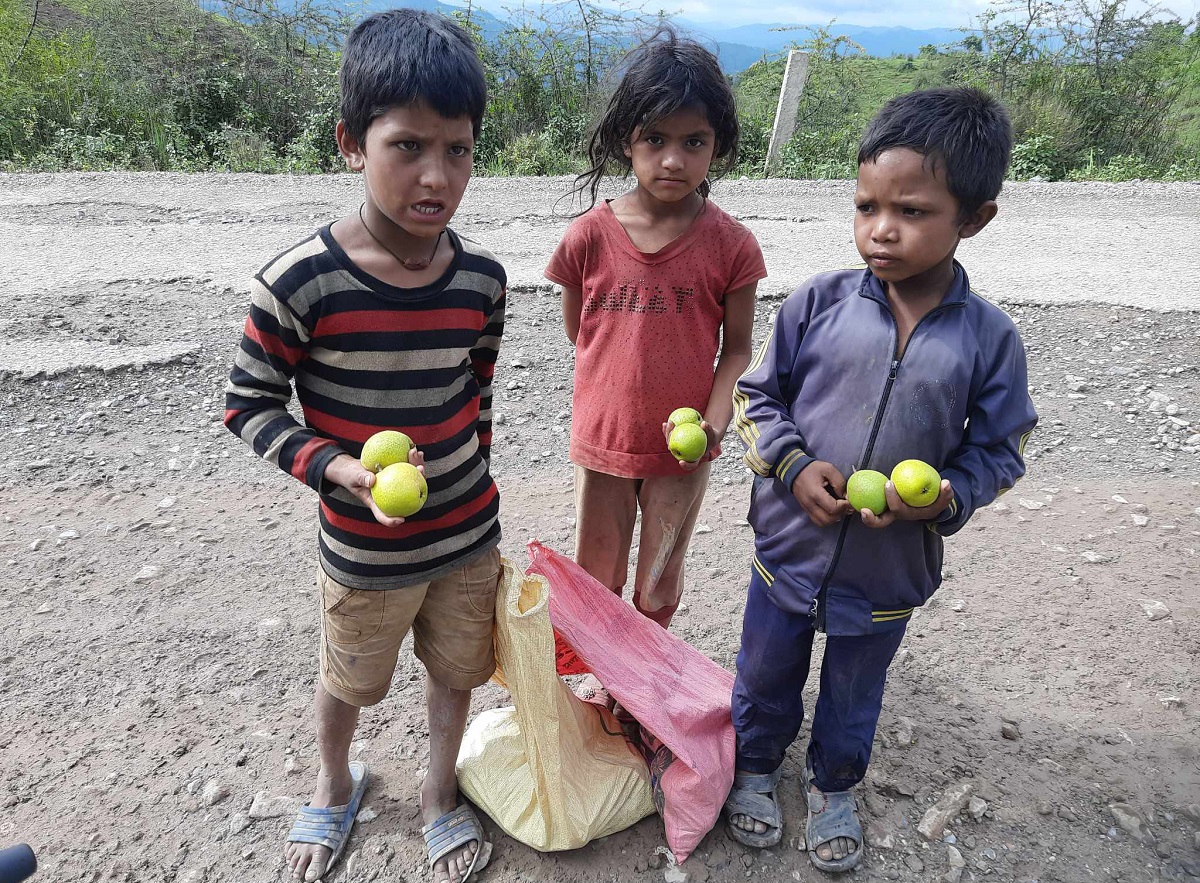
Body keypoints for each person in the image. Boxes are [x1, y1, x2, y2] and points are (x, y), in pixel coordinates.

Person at [724, 87, 1038, 873]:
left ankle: (834, 783)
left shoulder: (989, 339)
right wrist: (792, 465)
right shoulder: (817, 303)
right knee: (765, 672)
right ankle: (755, 767)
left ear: (975, 218)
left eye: (912, 210)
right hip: (789, 547)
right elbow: (755, 398)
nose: (881, 229)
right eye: (866, 206)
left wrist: (943, 496)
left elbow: (1001, 449)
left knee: (855, 688)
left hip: (890, 567)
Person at [224, 11, 504, 883]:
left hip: (465, 535)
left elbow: (477, 398)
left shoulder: (483, 281)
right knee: (348, 676)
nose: (436, 175)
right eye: (408, 146)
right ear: (351, 143)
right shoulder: (300, 281)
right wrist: (338, 469)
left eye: (457, 150)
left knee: (457, 670)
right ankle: (334, 778)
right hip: (363, 544)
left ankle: (437, 792)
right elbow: (248, 405)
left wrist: (478, 492)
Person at [544, 27, 766, 635]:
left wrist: (714, 421)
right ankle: (600, 676)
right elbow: (580, 331)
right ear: (626, 142)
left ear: (717, 147)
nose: (674, 159)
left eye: (694, 141)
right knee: (599, 570)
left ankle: (645, 687)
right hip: (606, 438)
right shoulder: (588, 236)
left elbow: (739, 348)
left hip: (684, 448)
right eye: (656, 139)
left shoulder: (732, 245)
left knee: (660, 576)